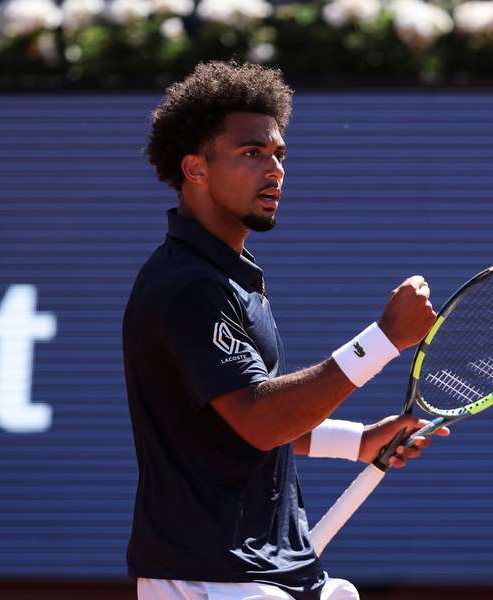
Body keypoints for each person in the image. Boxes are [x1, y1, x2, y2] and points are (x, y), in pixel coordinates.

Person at [123, 61, 446, 600]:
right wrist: (383, 340)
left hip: (271, 569)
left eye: (278, 155)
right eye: (252, 154)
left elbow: (229, 422)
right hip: (210, 577)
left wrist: (356, 442)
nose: (274, 170)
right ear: (195, 169)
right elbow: (258, 419)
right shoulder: (186, 286)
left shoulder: (228, 280)